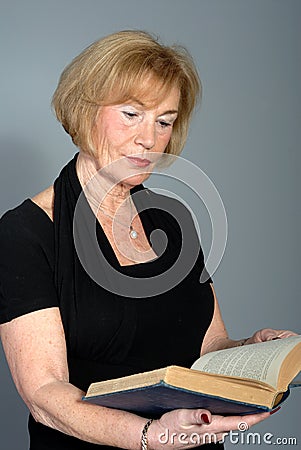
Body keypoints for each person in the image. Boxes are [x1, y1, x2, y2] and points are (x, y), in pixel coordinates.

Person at [0, 30, 296, 450]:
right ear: (85, 111)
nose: (149, 139)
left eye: (164, 121)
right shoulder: (25, 233)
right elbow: (45, 394)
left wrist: (250, 350)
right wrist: (148, 436)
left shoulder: (173, 219)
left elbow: (209, 344)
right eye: (131, 114)